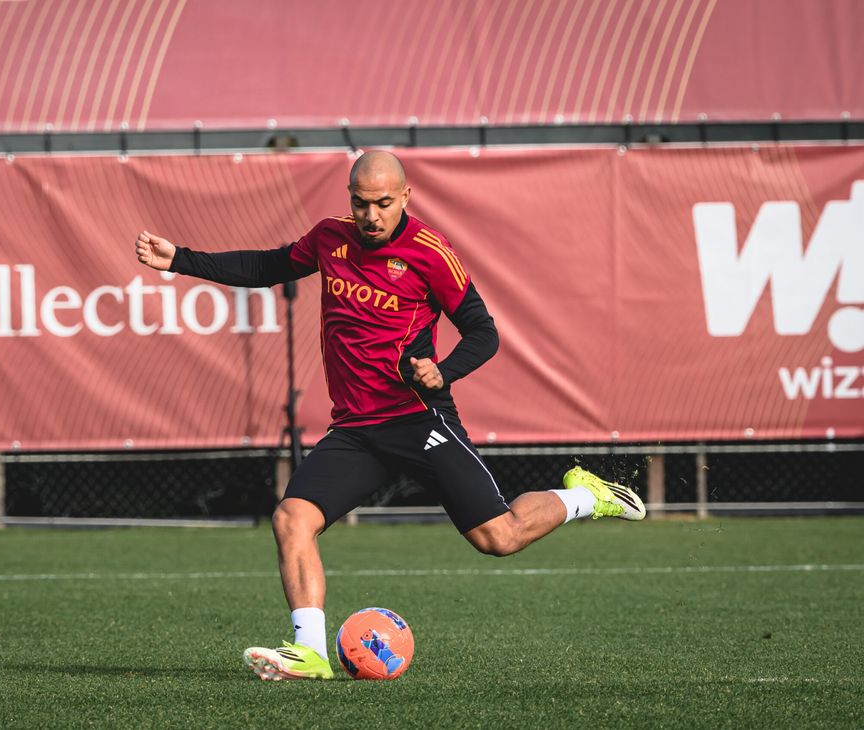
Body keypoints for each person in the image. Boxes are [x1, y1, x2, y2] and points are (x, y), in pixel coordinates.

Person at [135, 150, 645, 681]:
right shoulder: (331, 237)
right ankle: (309, 651)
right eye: (361, 203)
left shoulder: (430, 252)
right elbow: (270, 265)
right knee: (291, 519)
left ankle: (588, 495)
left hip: (417, 419)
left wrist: (443, 372)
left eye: (383, 203)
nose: (371, 215)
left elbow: (483, 332)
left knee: (500, 537)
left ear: (406, 196)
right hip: (356, 429)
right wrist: (180, 259)